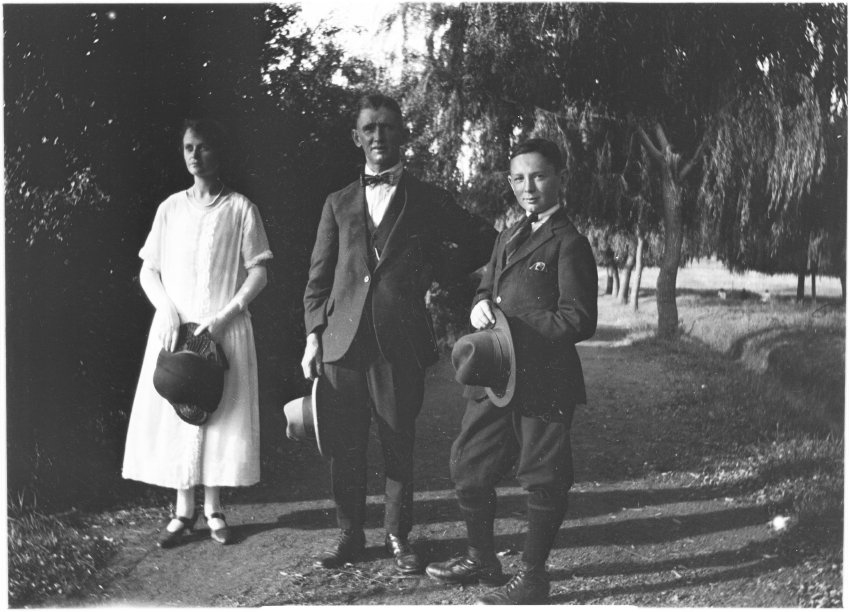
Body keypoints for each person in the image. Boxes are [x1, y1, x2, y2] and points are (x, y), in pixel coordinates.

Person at [301, 94, 496, 574]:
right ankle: (349, 534)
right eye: (369, 128)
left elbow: (485, 239)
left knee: (397, 440)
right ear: (357, 137)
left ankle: (396, 536)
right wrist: (312, 336)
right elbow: (318, 279)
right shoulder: (337, 202)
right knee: (344, 444)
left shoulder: (426, 198)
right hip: (340, 344)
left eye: (387, 127)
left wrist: (433, 269)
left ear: (403, 135)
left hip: (399, 343)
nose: (378, 137)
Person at [425, 138, 597, 604]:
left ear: (560, 178)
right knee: (468, 465)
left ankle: (533, 577)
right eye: (519, 178)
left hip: (545, 378)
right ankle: (481, 557)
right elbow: (486, 285)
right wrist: (481, 305)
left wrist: (514, 328)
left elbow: (579, 318)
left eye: (539, 176)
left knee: (543, 475)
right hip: (495, 375)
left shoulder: (570, 243)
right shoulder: (508, 235)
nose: (529, 187)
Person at [122, 118, 272, 548]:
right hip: (175, 329)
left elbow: (259, 271)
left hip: (221, 327)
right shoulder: (169, 209)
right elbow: (149, 269)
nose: (194, 155)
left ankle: (214, 508)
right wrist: (166, 308)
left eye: (203, 147)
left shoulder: (241, 208)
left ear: (218, 152)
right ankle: (182, 511)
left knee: (217, 411)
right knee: (178, 405)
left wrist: (227, 315)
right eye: (188, 147)